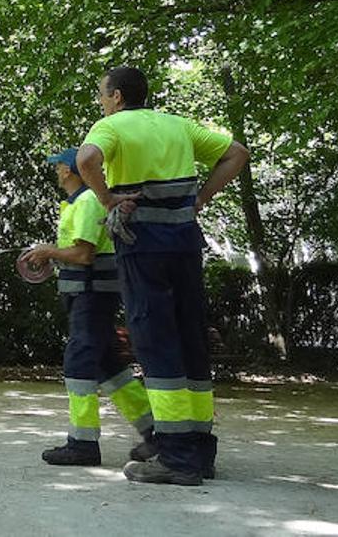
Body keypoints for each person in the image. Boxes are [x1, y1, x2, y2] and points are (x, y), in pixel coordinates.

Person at [76, 66, 250, 486]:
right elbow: (237, 154)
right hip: (185, 245)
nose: (102, 101)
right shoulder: (178, 126)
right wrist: (202, 197)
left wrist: (107, 198)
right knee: (191, 337)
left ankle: (175, 456)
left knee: (155, 339)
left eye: (103, 94)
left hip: (142, 248)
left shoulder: (111, 126)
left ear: (116, 96)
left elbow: (86, 159)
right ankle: (199, 449)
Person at [23, 148, 156, 467]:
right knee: (109, 367)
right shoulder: (77, 202)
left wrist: (48, 252)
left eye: (59, 167)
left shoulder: (85, 202)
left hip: (91, 295)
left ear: (69, 171)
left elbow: (83, 255)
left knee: (79, 359)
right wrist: (48, 253)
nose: (56, 171)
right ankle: (155, 432)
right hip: (87, 294)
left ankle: (82, 443)